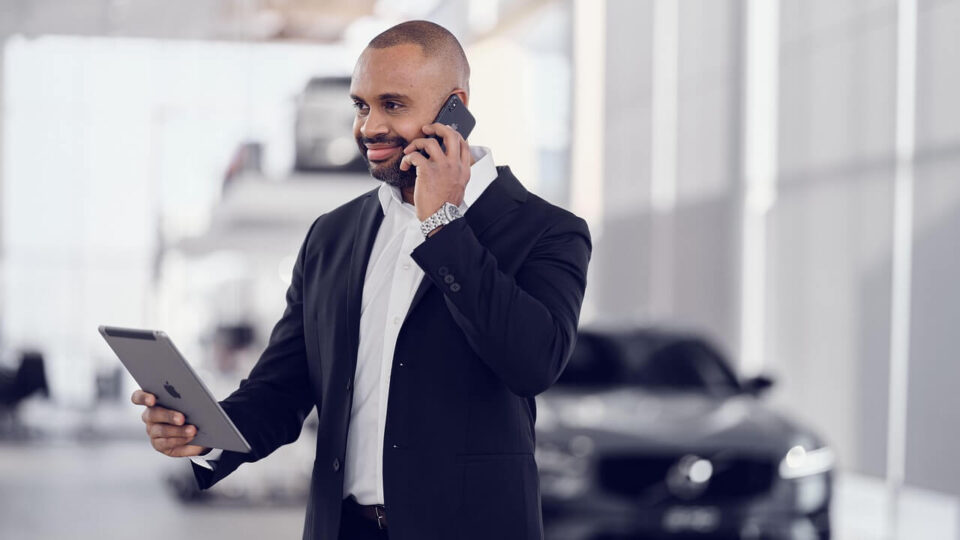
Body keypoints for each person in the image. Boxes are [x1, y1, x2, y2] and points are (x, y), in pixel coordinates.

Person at [131, 20, 592, 540]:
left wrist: (442, 224)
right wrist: (204, 434)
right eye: (361, 105)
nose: (369, 127)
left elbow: (532, 362)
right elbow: (283, 387)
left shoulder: (545, 230)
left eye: (392, 105)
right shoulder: (333, 235)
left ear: (455, 108)